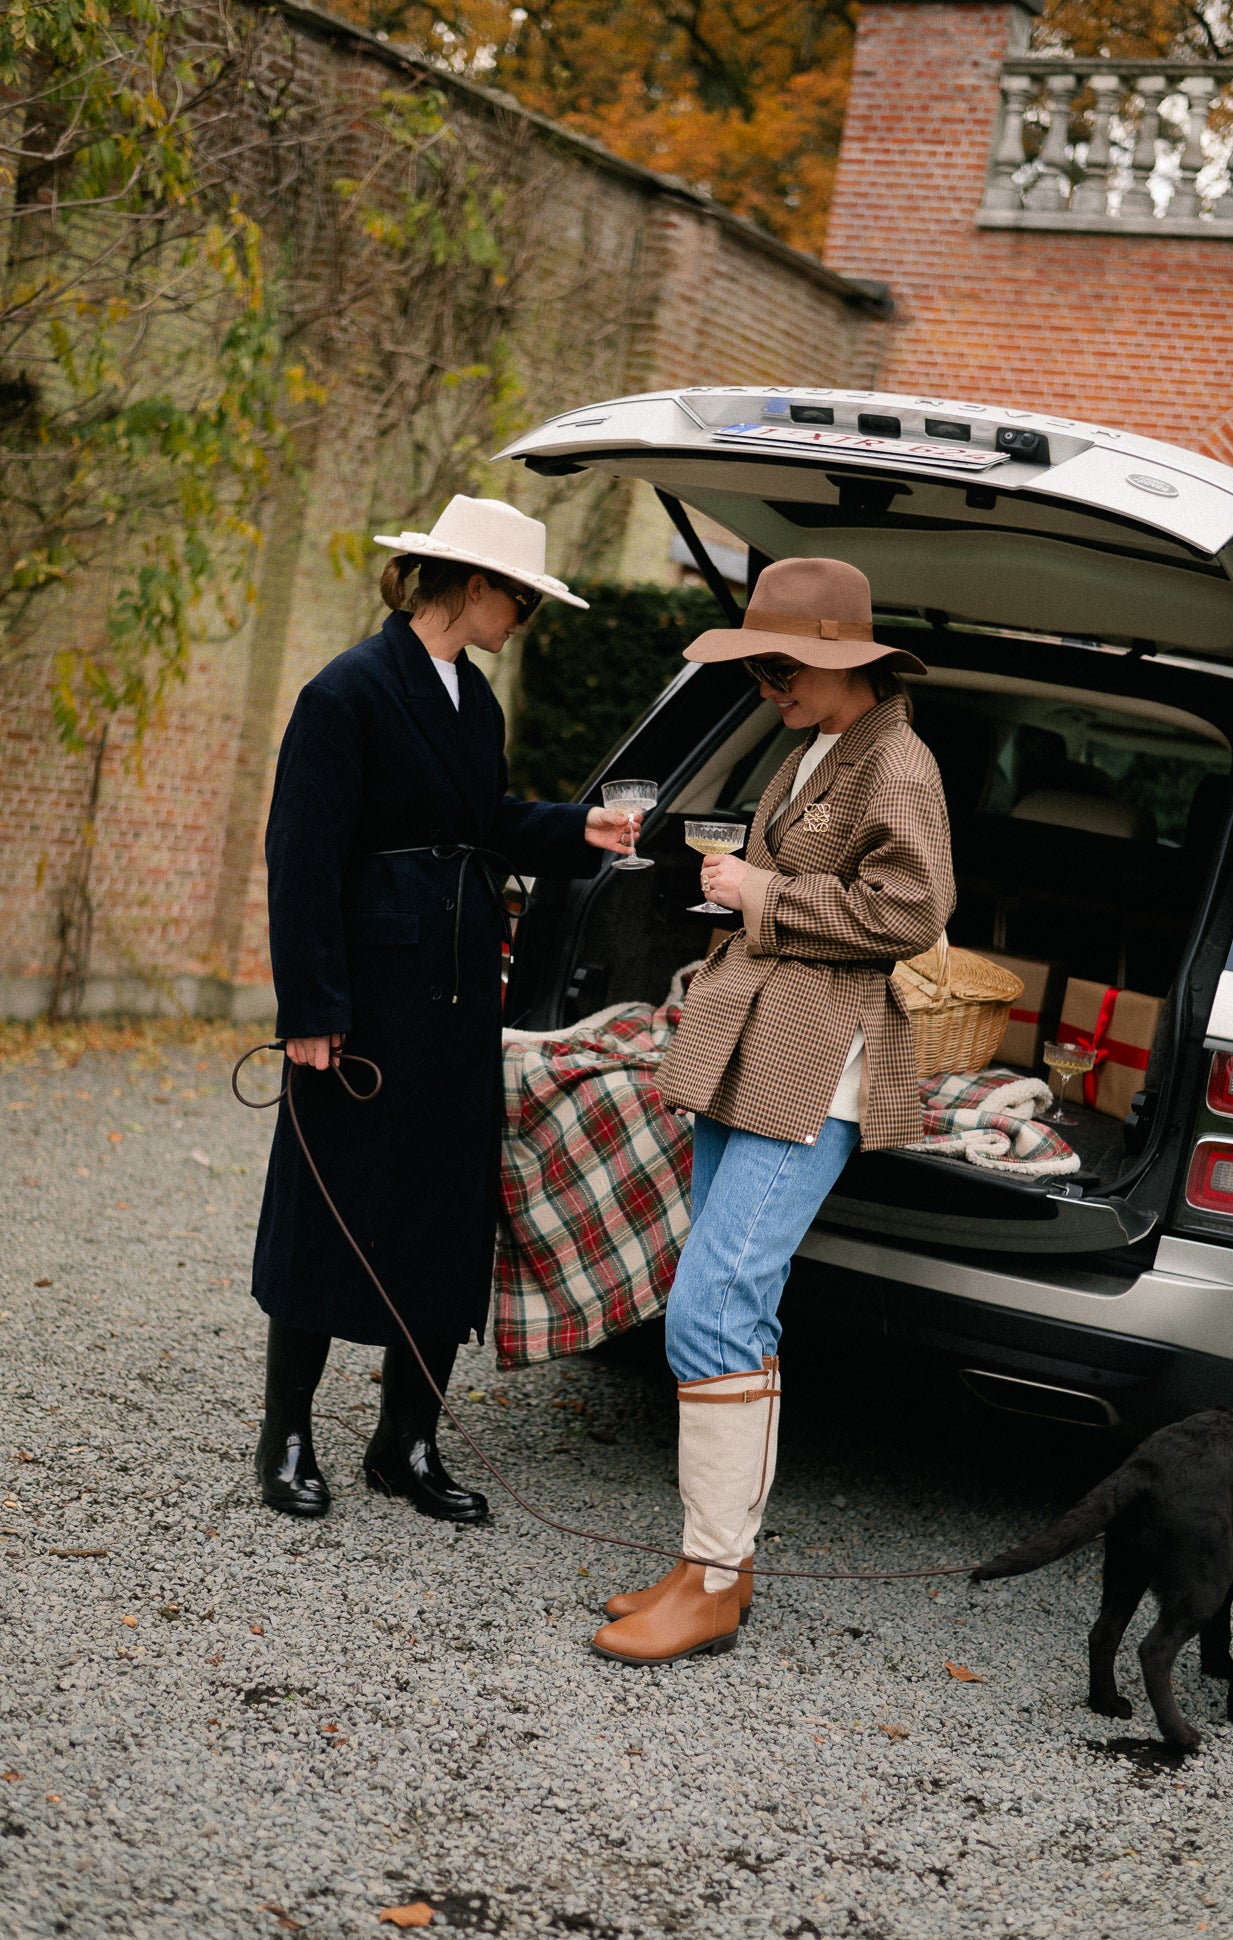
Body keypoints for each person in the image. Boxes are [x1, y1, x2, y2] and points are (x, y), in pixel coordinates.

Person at [592, 556, 955, 1665]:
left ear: (840, 661)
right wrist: (738, 890)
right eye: (758, 671)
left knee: (713, 1309)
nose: (765, 687)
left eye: (779, 669)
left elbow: (913, 906)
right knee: (730, 1305)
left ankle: (712, 1577)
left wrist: (763, 893)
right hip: (757, 1042)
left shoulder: (895, 758)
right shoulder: (818, 747)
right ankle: (716, 1562)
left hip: (816, 1062)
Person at [251, 495, 636, 1523]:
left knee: (440, 1209)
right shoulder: (347, 692)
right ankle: (284, 1433)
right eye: (523, 600)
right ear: (476, 587)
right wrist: (313, 1006)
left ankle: (404, 1440)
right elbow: (302, 856)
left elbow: (486, 821)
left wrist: (575, 829)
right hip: (369, 997)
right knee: (330, 1196)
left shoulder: (476, 699)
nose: (525, 620)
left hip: (463, 988)